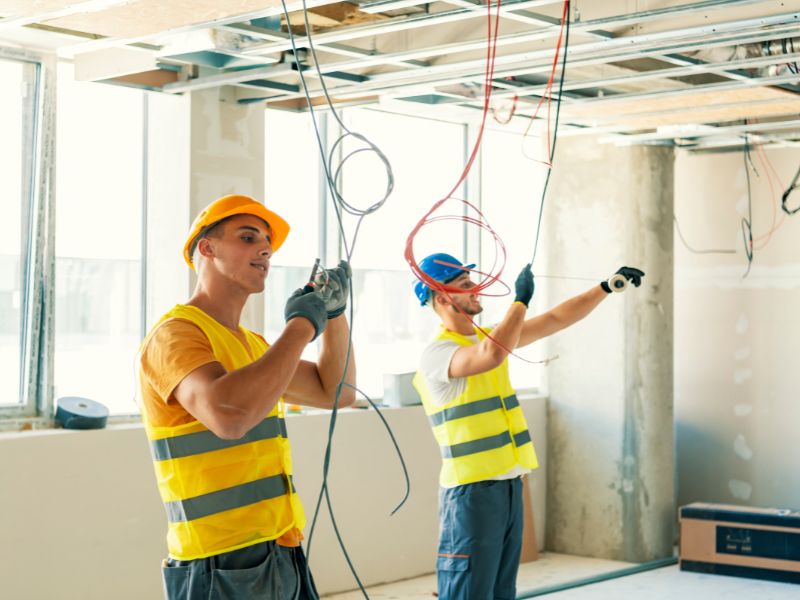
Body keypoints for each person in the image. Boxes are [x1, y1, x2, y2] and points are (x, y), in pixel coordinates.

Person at [138, 194, 355, 599]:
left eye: (267, 242)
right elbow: (229, 417)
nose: (266, 249)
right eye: (248, 236)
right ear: (207, 247)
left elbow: (336, 392)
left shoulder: (254, 346)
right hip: (219, 563)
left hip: (281, 547)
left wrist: (334, 314)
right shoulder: (175, 335)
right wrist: (303, 325)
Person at [411, 252, 644, 600]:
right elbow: (490, 355)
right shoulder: (439, 353)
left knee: (501, 591)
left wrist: (606, 287)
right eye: (465, 284)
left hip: (507, 486)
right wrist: (520, 300)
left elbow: (554, 319)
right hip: (471, 493)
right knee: (469, 593)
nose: (477, 288)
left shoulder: (488, 337)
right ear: (442, 297)